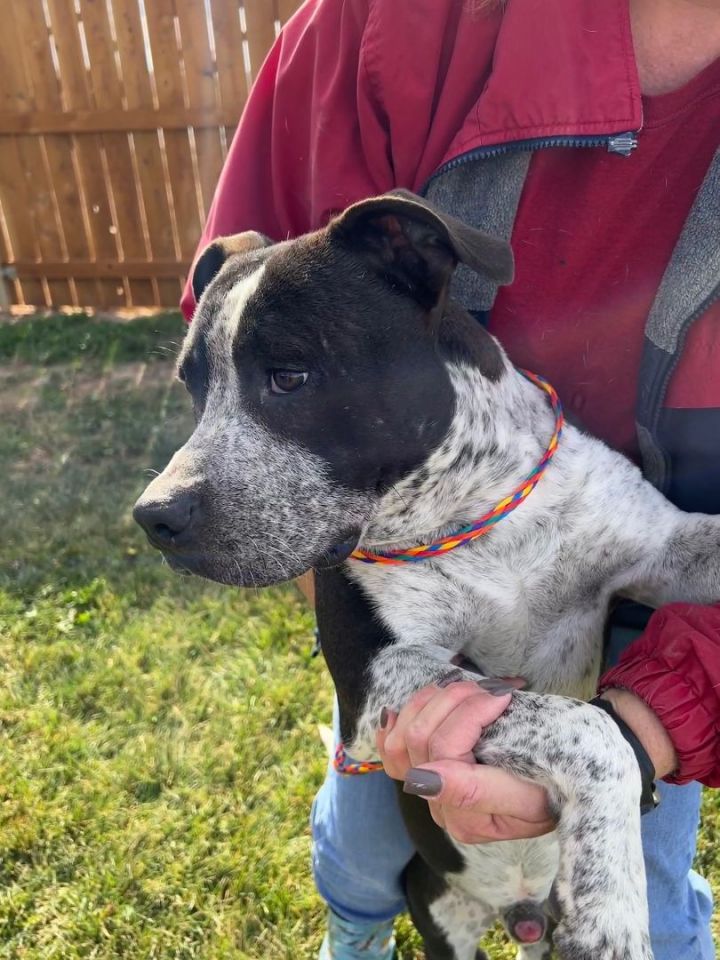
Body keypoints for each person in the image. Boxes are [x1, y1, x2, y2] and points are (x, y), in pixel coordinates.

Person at [180, 1, 720, 957]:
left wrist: (638, 733)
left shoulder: (573, 483)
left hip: (649, 676)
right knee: (363, 857)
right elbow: (244, 310)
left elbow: (689, 556)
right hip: (400, 612)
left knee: (661, 906)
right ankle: (352, 934)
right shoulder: (375, 26)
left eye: (289, 377)